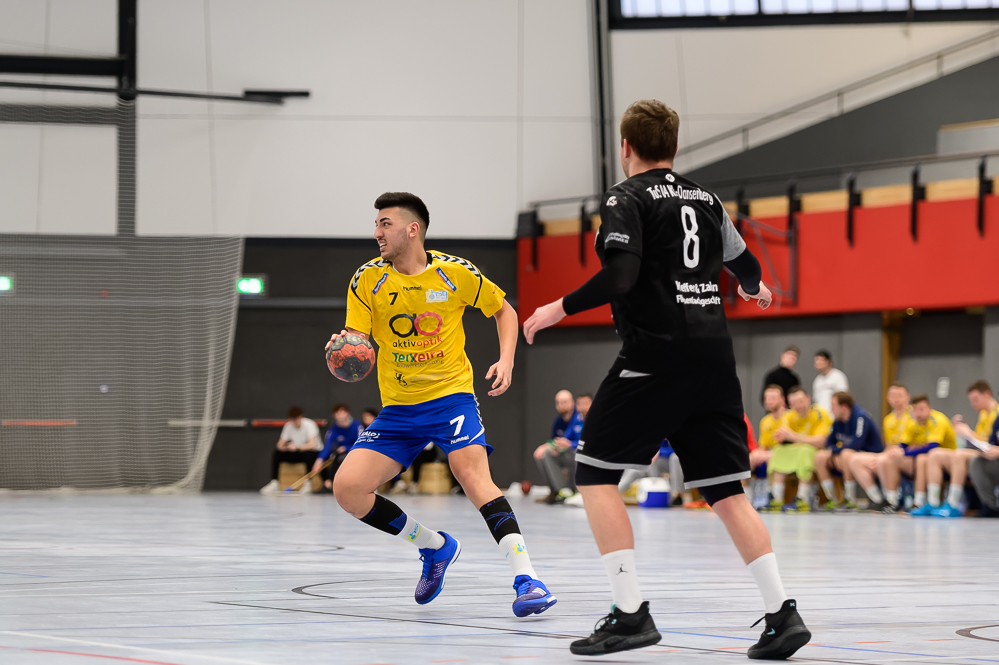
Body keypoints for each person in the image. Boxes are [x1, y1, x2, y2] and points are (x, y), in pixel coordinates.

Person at [522, 99, 810, 659]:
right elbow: (747, 266)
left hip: (655, 357)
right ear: (675, 148)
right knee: (726, 492)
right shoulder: (706, 199)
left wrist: (558, 307)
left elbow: (621, 275)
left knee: (593, 474)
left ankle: (630, 614)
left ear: (626, 147)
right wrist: (753, 289)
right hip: (714, 362)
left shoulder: (625, 197)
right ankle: (783, 614)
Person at [325, 192, 555, 617]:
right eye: (376, 224)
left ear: (412, 229)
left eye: (385, 224)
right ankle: (434, 546)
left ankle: (528, 580)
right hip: (399, 408)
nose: (377, 233)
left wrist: (506, 359)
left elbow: (504, 311)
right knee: (348, 489)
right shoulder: (367, 279)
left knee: (472, 477)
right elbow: (357, 341)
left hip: (451, 398)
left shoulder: (454, 273)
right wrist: (344, 349)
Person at [915, 380, 999, 517]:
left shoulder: (996, 413)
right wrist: (964, 435)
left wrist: (968, 433)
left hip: (990, 456)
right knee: (935, 454)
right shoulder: (984, 415)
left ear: (987, 394)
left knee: (959, 455)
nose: (973, 404)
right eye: (971, 401)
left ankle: (953, 504)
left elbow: (990, 444)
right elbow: (979, 441)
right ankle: (932, 502)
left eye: (976, 399)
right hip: (980, 452)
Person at [876, 394, 956, 514]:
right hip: (925, 461)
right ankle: (892, 502)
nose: (918, 414)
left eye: (921, 409)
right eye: (915, 410)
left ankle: (919, 503)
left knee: (922, 458)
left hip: (947, 461)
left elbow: (932, 446)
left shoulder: (938, 420)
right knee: (894, 458)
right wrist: (896, 450)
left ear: (930, 408)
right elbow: (904, 444)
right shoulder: (913, 422)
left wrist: (906, 451)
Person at [765, 387, 832, 513]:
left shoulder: (820, 414)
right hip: (797, 450)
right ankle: (776, 498)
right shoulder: (789, 416)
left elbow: (820, 442)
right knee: (778, 451)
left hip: (816, 451)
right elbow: (784, 438)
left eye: (800, 401)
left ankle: (802, 499)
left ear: (808, 399)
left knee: (805, 450)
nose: (798, 406)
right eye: (793, 403)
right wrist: (781, 437)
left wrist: (794, 437)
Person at [814, 392, 882, 512]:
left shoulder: (860, 417)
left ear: (844, 407)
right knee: (820, 456)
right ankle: (833, 500)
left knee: (846, 455)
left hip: (871, 455)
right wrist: (834, 453)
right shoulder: (838, 421)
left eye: (833, 405)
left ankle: (850, 500)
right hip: (850, 456)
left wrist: (835, 451)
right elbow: (829, 443)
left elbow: (856, 445)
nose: (831, 409)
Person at [850, 382, 913, 511]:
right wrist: (882, 455)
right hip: (890, 454)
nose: (896, 399)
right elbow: (889, 445)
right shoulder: (888, 419)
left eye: (899, 395)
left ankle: (892, 501)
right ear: (888, 398)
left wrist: (885, 456)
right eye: (893, 396)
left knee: (883, 460)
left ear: (908, 397)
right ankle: (877, 499)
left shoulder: (913, 415)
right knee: (855, 459)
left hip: (907, 455)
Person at [259, 407, 322, 495]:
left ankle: (308, 483)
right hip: (297, 452)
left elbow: (312, 445)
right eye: (292, 419)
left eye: (296, 419)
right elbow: (279, 444)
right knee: (277, 453)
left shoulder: (309, 424)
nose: (294, 422)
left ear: (301, 417)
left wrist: (297, 447)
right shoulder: (288, 425)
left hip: (313, 452)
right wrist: (285, 447)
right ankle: (275, 482)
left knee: (309, 454)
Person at [533, 390, 581, 504]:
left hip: (577, 454)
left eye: (564, 402)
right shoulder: (558, 421)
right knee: (545, 454)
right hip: (564, 454)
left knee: (578, 453)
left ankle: (577, 490)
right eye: (558, 403)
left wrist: (570, 444)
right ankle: (559, 491)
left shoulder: (579, 418)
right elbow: (555, 440)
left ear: (572, 402)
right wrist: (550, 446)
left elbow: (585, 442)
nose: (561, 405)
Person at [313, 404, 364, 492]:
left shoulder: (357, 426)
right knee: (324, 459)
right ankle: (328, 483)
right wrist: (319, 460)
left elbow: (361, 443)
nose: (341, 415)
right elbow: (327, 446)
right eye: (338, 413)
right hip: (340, 452)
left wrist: (346, 448)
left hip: (355, 452)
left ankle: (336, 484)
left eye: (343, 412)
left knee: (340, 458)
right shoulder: (333, 429)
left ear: (347, 414)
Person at [753, 385, 786, 507]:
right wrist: (757, 455)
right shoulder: (765, 421)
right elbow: (763, 447)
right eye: (766, 398)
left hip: (785, 454)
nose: (768, 401)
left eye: (772, 398)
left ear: (782, 400)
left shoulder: (789, 418)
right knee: (750, 458)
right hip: (769, 454)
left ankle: (773, 497)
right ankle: (747, 498)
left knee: (775, 458)